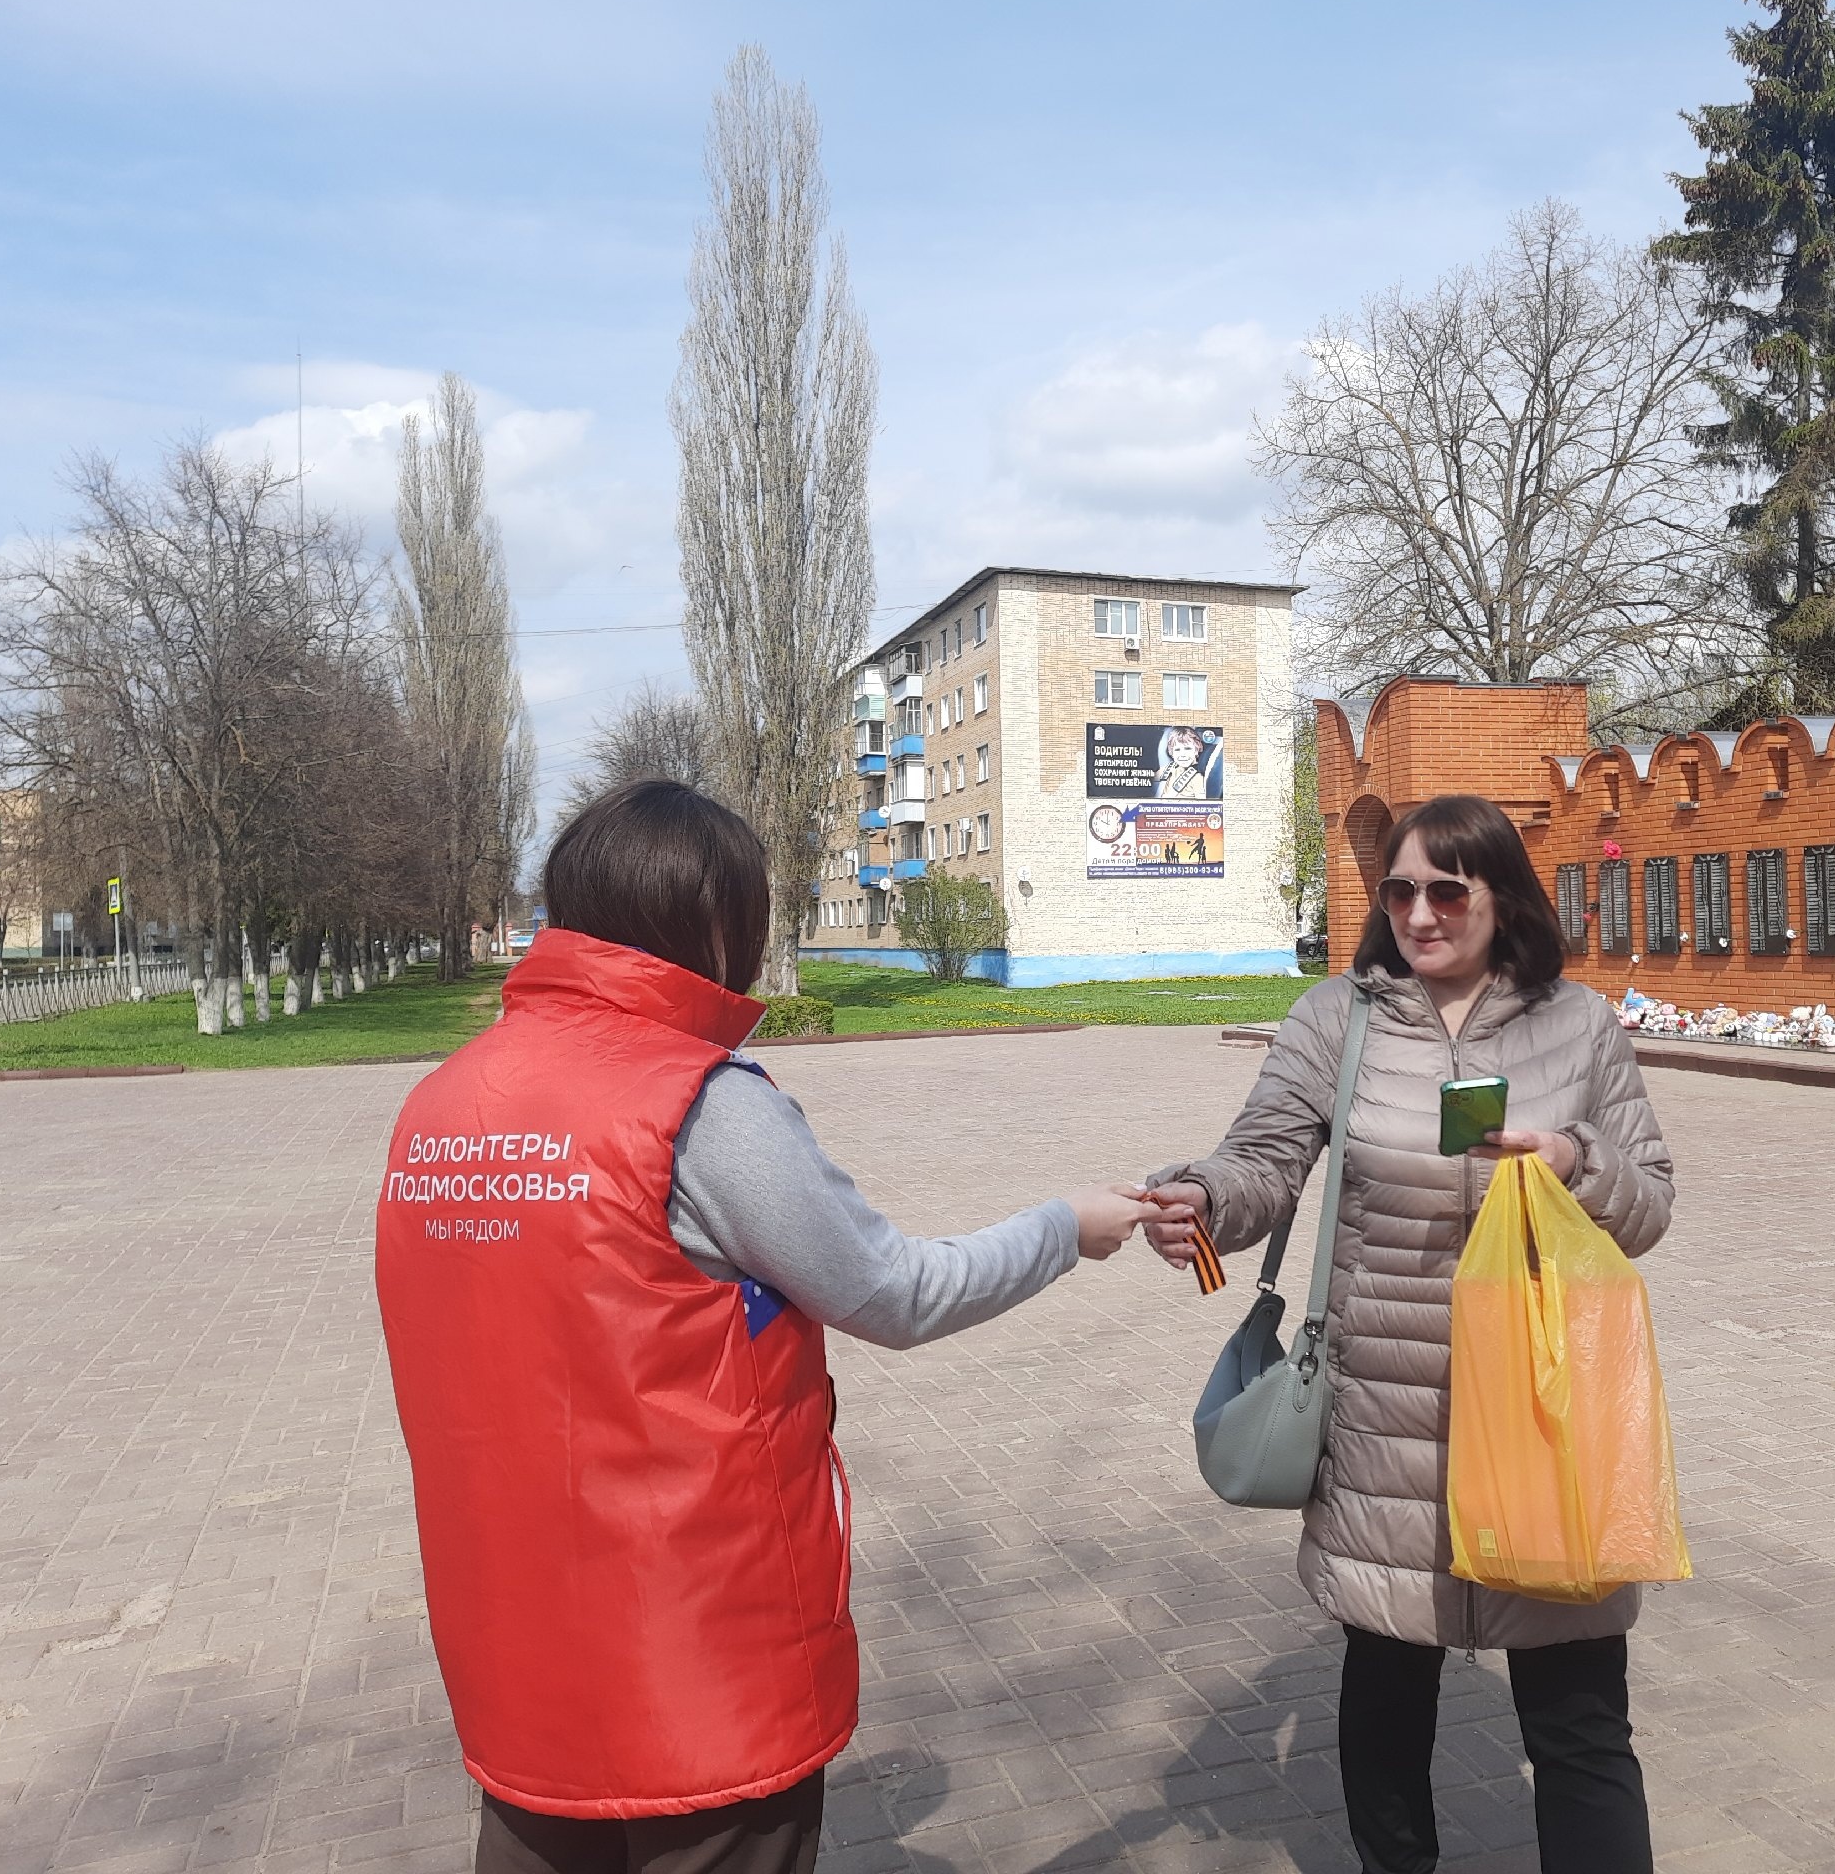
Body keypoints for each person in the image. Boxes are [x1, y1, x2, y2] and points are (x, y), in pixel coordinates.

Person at [374, 780, 1155, 1874]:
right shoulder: (694, 1101)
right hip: (697, 1655)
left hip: (513, 1646)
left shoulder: (444, 1104)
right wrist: (1063, 1227)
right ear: (710, 921)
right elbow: (892, 1292)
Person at [1143, 794, 1675, 1874]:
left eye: (1446, 890)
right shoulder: (1338, 1017)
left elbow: (1651, 1203)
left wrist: (1575, 1160)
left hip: (1538, 1409)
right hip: (1385, 1411)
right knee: (1387, 1697)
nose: (1419, 914)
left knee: (1579, 1719)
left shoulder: (1574, 1025)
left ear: (1500, 896)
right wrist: (1202, 1196)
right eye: (1400, 892)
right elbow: (1265, 1157)